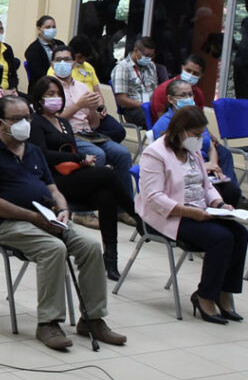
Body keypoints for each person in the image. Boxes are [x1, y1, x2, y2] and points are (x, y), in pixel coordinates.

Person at [0, 95, 126, 350]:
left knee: (90, 247)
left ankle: (93, 319)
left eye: (27, 118)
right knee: (53, 249)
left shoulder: (33, 151)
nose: (24, 123)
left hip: (47, 218)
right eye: (17, 119)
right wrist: (32, 217)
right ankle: (48, 323)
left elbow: (54, 190)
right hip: (9, 224)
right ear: (0, 123)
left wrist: (63, 209)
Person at [138, 106, 248, 325]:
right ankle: (205, 295)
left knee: (240, 234)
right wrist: (189, 212)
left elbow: (206, 186)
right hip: (169, 215)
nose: (200, 140)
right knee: (221, 238)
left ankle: (224, 292)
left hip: (199, 211)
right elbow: (153, 197)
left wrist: (219, 203)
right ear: (181, 130)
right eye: (196, 135)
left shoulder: (193, 152)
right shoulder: (155, 153)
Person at [29, 76, 141, 281]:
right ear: (39, 99)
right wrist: (79, 157)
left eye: (57, 95)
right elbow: (42, 154)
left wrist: (81, 161)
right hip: (52, 180)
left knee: (106, 195)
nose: (55, 98)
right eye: (49, 95)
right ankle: (136, 215)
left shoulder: (63, 123)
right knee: (107, 173)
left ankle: (110, 257)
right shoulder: (36, 122)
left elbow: (70, 149)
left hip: (72, 174)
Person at [50, 46, 133, 203]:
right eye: (58, 60)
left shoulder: (82, 87)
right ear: (52, 64)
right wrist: (79, 105)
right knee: (98, 155)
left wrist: (93, 109)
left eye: (67, 59)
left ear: (74, 63)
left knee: (123, 154)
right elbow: (52, 121)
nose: (63, 63)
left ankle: (124, 207)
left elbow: (94, 124)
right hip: (66, 135)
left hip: (88, 134)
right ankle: (88, 206)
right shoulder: (49, 87)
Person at [152, 80, 242, 206]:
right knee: (222, 194)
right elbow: (170, 161)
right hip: (187, 174)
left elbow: (209, 144)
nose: (188, 98)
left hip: (206, 166)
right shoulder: (163, 124)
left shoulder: (194, 117)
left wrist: (213, 164)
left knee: (231, 190)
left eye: (190, 94)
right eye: (183, 95)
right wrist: (203, 167)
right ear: (171, 99)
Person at [110, 36, 157, 129]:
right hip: (134, 110)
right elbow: (122, 100)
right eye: (146, 56)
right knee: (160, 119)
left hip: (152, 106)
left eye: (152, 56)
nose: (149, 59)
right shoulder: (122, 68)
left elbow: (155, 90)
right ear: (136, 50)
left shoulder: (151, 66)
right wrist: (144, 105)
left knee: (175, 116)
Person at [150, 54, 206, 122]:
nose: (190, 75)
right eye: (188, 70)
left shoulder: (198, 93)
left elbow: (200, 120)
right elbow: (163, 123)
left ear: (201, 75)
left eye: (195, 73)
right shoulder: (163, 90)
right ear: (182, 67)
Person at [24, 15, 62, 87]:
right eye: (48, 27)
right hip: (43, 86)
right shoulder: (33, 49)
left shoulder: (60, 44)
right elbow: (38, 74)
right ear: (39, 29)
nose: (52, 29)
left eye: (53, 27)